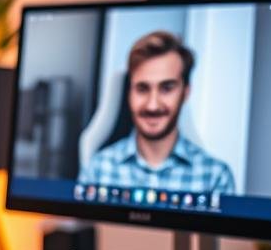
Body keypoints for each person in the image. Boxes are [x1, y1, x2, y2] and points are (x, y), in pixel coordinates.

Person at [78, 31, 235, 194]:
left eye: (167, 88)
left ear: (186, 93)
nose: (152, 105)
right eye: (142, 89)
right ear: (129, 93)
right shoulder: (97, 169)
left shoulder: (215, 177)